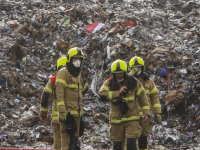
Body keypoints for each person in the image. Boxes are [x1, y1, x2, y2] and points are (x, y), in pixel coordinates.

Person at [99, 59, 151, 150]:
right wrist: (117, 93)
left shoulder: (133, 82)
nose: (119, 75)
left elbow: (143, 98)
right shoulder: (109, 83)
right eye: (116, 73)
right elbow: (102, 95)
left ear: (125, 72)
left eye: (121, 73)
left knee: (131, 145)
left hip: (132, 119)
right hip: (116, 121)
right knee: (117, 146)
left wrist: (146, 113)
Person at [55, 47, 88, 150]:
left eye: (79, 59)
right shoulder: (63, 72)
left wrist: (81, 114)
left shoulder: (77, 74)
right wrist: (63, 112)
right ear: (70, 59)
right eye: (75, 59)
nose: (77, 61)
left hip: (77, 115)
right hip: (68, 115)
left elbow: (78, 95)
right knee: (67, 144)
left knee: (74, 144)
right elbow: (59, 94)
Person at [129, 56, 162, 150]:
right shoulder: (127, 81)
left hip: (145, 115)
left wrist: (157, 112)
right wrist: (130, 76)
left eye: (139, 67)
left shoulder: (148, 81)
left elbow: (155, 97)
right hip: (131, 115)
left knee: (143, 139)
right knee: (130, 140)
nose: (138, 70)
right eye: (135, 68)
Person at [40, 57, 68, 150]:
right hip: (72, 118)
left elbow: (45, 97)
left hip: (58, 119)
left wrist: (43, 114)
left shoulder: (53, 80)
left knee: (59, 144)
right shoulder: (74, 79)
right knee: (70, 143)